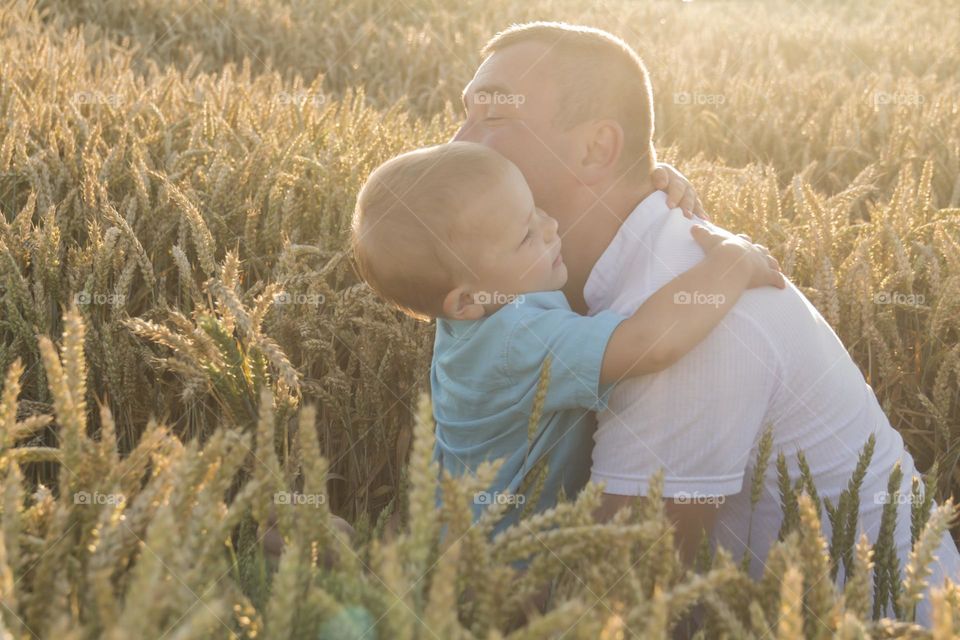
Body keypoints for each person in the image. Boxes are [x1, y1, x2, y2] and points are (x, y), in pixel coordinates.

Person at [452, 21, 960, 625]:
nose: (458, 142)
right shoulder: (545, 275)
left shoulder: (690, 320)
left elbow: (614, 605)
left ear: (596, 148)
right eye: (464, 113)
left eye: (495, 116)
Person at [351, 140, 783, 531]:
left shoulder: (476, 313)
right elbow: (649, 343)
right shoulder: (518, 339)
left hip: (460, 536)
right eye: (526, 236)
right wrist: (731, 264)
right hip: (506, 572)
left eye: (536, 207)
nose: (550, 226)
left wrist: (645, 190)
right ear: (465, 301)